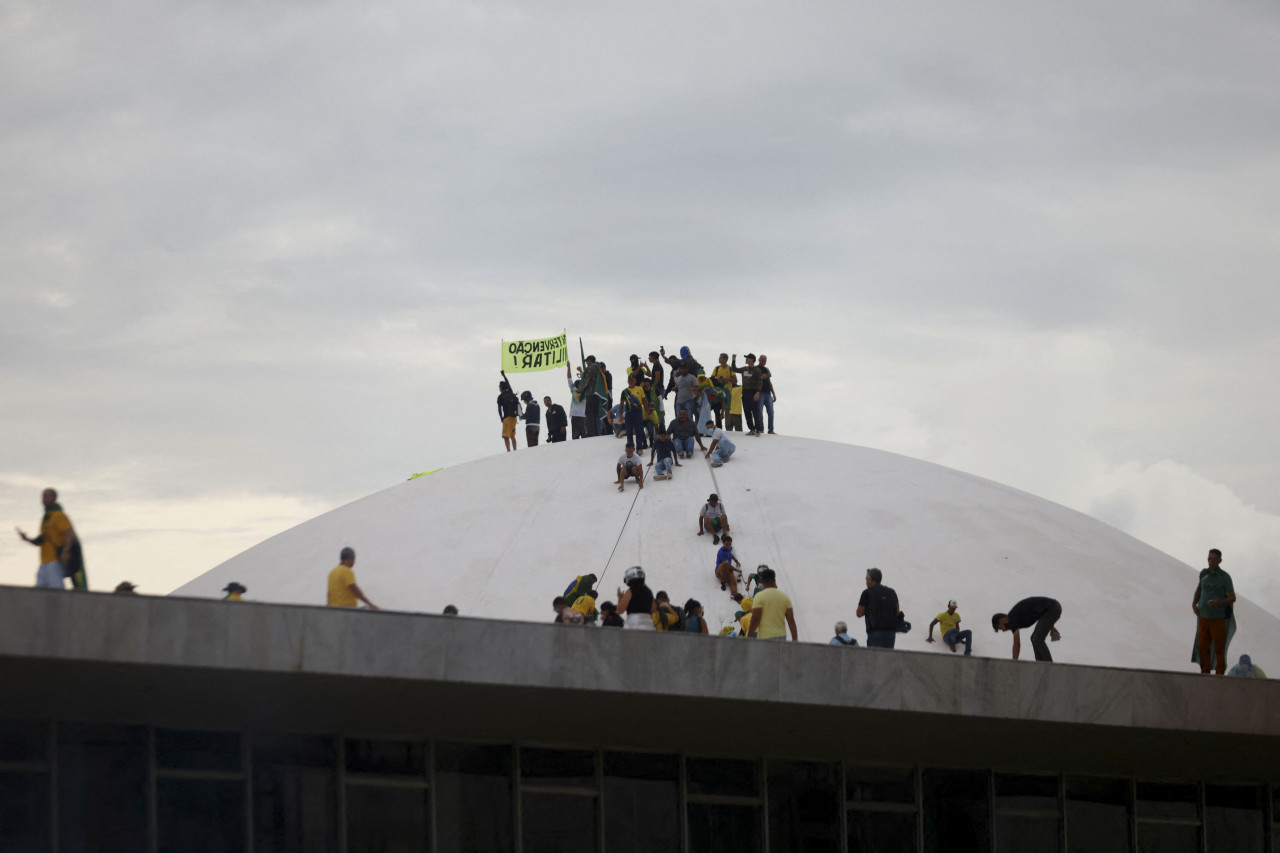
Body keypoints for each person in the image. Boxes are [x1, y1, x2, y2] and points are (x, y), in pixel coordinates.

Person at [17, 487, 84, 590]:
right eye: (43, 496)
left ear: (54, 498)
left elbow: (69, 534)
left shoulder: (59, 515)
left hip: (54, 560)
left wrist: (65, 551)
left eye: (47, 496)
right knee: (39, 592)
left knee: (56, 590)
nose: (44, 499)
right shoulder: (46, 517)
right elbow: (43, 539)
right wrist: (28, 539)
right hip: (44, 561)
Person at [1192, 548, 1236, 675]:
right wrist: (1194, 603)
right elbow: (1199, 589)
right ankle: (1205, 672)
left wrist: (1219, 602)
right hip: (1203, 617)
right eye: (1209, 559)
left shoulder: (1224, 577)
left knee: (1218, 647)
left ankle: (1219, 673)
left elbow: (1232, 597)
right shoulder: (1204, 574)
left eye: (1213, 559)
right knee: (1202, 646)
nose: (1210, 561)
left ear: (1220, 560)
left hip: (1218, 619)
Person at [992, 597, 1062, 662]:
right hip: (1050, 609)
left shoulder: (1013, 619)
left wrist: (1014, 663)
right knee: (1033, 638)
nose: (1003, 631)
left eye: (1001, 628)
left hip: (1052, 608)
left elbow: (1017, 643)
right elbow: (1041, 611)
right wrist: (1051, 627)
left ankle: (1049, 665)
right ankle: (1040, 664)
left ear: (1002, 620)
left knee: (1037, 639)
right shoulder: (1014, 618)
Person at [747, 567, 797, 641]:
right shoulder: (785, 598)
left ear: (763, 582)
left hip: (765, 638)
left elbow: (755, 619)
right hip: (782, 637)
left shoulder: (759, 596)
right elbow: (791, 621)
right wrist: (795, 639)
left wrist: (749, 638)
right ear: (774, 580)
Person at [857, 568, 900, 649]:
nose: (866, 581)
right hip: (890, 633)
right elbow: (897, 611)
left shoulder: (867, 593)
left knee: (874, 659)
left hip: (875, 632)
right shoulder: (891, 592)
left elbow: (859, 613)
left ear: (870, 579)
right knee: (888, 659)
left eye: (866, 579)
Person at [731, 353, 764, 436]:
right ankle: (751, 429)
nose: (746, 359)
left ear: (752, 359)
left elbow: (759, 382)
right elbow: (734, 369)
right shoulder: (744, 369)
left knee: (755, 411)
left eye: (747, 358)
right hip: (745, 392)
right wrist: (733, 360)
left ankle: (758, 430)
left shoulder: (757, 370)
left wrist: (757, 392)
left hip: (753, 392)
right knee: (747, 411)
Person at [616, 565, 656, 630]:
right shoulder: (649, 591)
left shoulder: (629, 592)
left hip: (633, 624)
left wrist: (620, 598)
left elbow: (620, 610)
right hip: (649, 625)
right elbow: (654, 609)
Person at [579, 356, 607, 437]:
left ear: (590, 360)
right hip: (596, 394)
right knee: (594, 414)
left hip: (590, 393)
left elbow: (586, 380)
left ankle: (591, 433)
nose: (586, 363)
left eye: (587, 361)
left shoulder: (591, 368)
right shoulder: (598, 368)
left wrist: (580, 389)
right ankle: (595, 432)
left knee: (589, 414)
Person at [620, 374, 648, 451]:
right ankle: (630, 448)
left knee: (639, 430)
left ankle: (639, 448)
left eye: (632, 380)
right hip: (629, 413)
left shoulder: (640, 389)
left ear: (635, 381)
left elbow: (644, 401)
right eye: (629, 380)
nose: (631, 382)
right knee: (629, 431)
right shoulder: (624, 392)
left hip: (638, 412)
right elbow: (622, 404)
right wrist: (620, 415)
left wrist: (647, 411)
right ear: (628, 381)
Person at [566, 364, 588, 439]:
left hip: (578, 416)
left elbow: (569, 378)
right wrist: (581, 371)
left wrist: (569, 367)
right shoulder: (584, 391)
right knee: (582, 436)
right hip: (581, 416)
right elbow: (585, 381)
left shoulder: (575, 391)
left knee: (578, 437)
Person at [497, 381, 520, 451]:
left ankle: (509, 451)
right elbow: (508, 383)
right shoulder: (511, 393)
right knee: (512, 435)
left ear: (501, 388)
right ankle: (515, 450)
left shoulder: (501, 397)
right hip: (514, 418)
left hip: (507, 418)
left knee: (505, 436)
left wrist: (502, 418)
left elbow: (499, 409)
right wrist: (503, 375)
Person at [647, 351, 667, 427]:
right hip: (658, 388)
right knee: (656, 407)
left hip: (658, 389)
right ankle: (658, 425)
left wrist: (653, 388)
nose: (649, 358)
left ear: (653, 357)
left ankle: (661, 426)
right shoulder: (655, 365)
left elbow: (657, 377)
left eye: (650, 356)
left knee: (659, 407)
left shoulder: (657, 366)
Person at [758, 354, 776, 434]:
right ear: (759, 360)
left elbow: (769, 382)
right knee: (759, 411)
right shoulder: (755, 369)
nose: (763, 362)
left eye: (765, 361)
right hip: (760, 392)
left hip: (768, 393)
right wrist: (761, 377)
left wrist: (773, 393)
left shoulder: (766, 369)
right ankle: (761, 429)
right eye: (762, 360)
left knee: (771, 412)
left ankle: (771, 430)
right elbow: (753, 380)